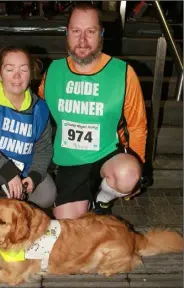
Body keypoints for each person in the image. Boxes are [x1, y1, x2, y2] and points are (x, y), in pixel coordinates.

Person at [38, 3, 147, 219]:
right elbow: (36, 115)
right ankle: (84, 196)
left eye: (91, 32)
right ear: (67, 33)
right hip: (70, 159)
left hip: (109, 153)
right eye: (76, 31)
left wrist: (139, 171)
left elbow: (137, 125)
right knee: (68, 224)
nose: (82, 40)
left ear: (101, 34)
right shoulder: (53, 71)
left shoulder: (123, 73)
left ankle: (102, 200)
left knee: (128, 175)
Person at [0, 46, 57, 222]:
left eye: (23, 69)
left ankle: (13, 206)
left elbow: (43, 148)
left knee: (47, 194)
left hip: (23, 166)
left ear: (31, 74)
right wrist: (9, 173)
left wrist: (35, 176)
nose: (17, 76)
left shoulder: (40, 108)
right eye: (10, 69)